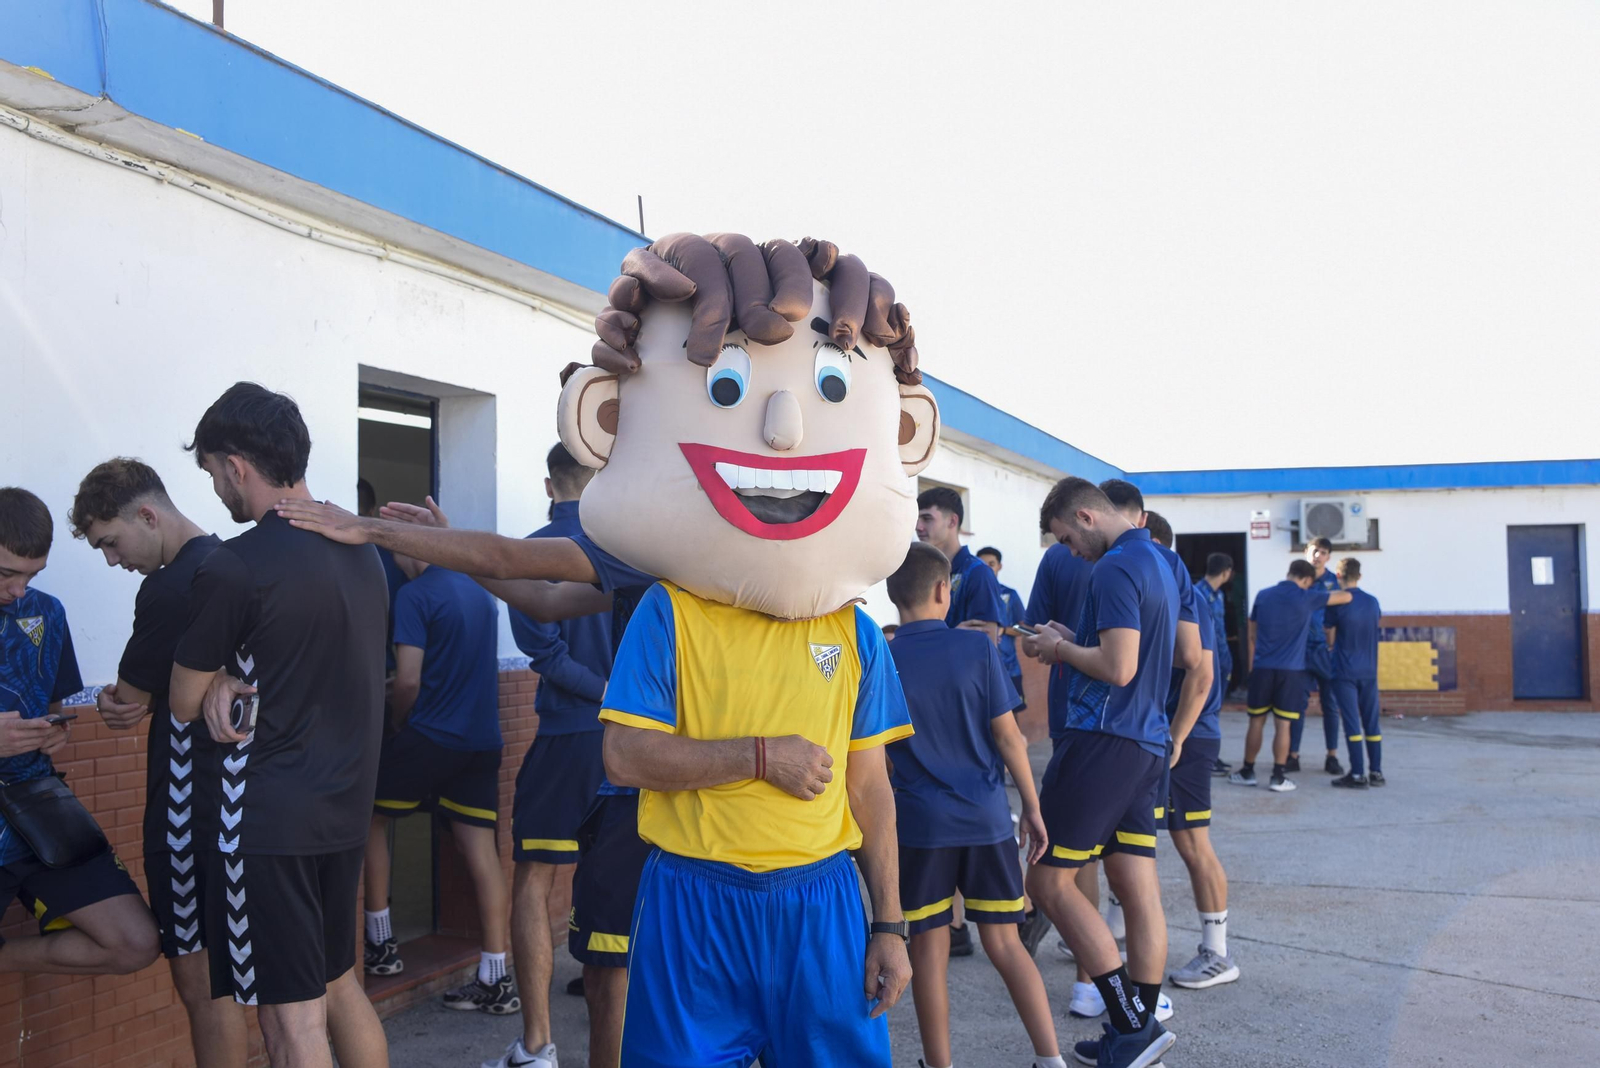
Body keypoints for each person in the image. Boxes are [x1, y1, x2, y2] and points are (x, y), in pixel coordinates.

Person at [279, 232, 939, 1065]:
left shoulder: (849, 633)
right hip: (682, 869)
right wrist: (387, 531)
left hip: (817, 896)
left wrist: (889, 924)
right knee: (606, 952)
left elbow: (871, 788)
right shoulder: (667, 572)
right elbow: (527, 571)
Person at [168, 383, 390, 1068]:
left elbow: (181, 700)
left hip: (264, 826)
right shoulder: (363, 553)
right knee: (325, 994)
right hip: (344, 814)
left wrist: (217, 687)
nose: (215, 493)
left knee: (289, 1028)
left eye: (211, 474)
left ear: (236, 465)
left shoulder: (235, 565)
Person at [67, 459, 248, 1064]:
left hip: (186, 816)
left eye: (111, 543)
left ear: (148, 515)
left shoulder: (170, 587)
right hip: (239, 809)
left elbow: (126, 701)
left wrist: (111, 701)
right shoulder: (232, 565)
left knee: (201, 990)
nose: (113, 560)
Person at [884, 543, 1066, 1068]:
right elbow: (1009, 739)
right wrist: (1031, 807)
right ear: (944, 591)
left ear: (894, 597)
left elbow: (876, 757)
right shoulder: (976, 650)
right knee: (1005, 945)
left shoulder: (881, 658)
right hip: (985, 818)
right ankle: (1049, 1059)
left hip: (919, 827)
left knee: (928, 950)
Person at [1020, 477, 1178, 1068]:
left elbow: (1117, 666)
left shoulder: (1112, 567)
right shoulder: (1158, 559)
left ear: (1086, 517)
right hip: (1145, 744)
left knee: (1047, 882)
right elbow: (1133, 652)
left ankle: (1131, 1026)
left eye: (1066, 538)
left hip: (1102, 741)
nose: (1069, 552)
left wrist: (1057, 652)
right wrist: (1068, 636)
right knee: (1137, 885)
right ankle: (1138, 1028)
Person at [0, 487, 160, 981]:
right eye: (7, 573)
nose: (19, 590)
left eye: (32, 575)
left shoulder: (46, 613)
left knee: (136, 943)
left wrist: (52, 734)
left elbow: (52, 711)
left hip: (37, 810)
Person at [502, 443, 616, 1062]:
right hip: (629, 742)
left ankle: (538, 1043)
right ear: (598, 480)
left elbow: (542, 654)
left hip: (565, 738)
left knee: (535, 880)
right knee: (625, 885)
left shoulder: (531, 551)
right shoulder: (628, 552)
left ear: (551, 485)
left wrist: (598, 695)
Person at [363, 550, 513, 1014]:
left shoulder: (414, 595)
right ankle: (496, 976)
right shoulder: (479, 588)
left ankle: (381, 947)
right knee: (480, 851)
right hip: (482, 741)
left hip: (430, 736)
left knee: (369, 819)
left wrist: (396, 724)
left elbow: (407, 682)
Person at [1143, 517, 1239, 992]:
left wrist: (1178, 737)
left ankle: (1218, 954)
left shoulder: (1188, 597)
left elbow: (1201, 676)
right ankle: (1120, 930)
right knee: (1135, 839)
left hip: (1188, 737)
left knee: (1191, 842)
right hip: (1167, 734)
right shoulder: (1169, 591)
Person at [1229, 559, 1353, 793]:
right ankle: (1278, 776)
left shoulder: (1263, 595)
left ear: (1289, 573)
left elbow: (1253, 633)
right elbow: (1345, 597)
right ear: (1306, 580)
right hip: (1291, 671)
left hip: (1263, 668)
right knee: (1283, 725)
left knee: (1256, 722)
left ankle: (1247, 771)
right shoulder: (1307, 597)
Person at [916, 487, 1003, 642]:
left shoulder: (979, 573)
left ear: (952, 521)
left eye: (927, 518)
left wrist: (948, 638)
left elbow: (986, 649)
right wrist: (953, 636)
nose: (918, 527)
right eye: (917, 519)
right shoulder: (921, 572)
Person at [1326, 558, 1385, 788]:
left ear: (1338, 576)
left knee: (1352, 722)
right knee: (1372, 723)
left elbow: (1328, 629)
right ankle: (1377, 772)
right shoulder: (1372, 602)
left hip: (1344, 670)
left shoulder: (1339, 603)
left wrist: (1331, 647)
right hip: (1369, 671)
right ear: (1359, 576)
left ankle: (1358, 773)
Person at [1292, 537, 1346, 775]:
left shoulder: (1335, 583)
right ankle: (1292, 755)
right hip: (1300, 652)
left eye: (1323, 553)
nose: (1317, 556)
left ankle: (1331, 756)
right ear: (1306, 552)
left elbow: (1342, 616)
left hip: (1326, 653)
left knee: (1330, 706)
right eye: (1314, 551)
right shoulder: (1297, 580)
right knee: (1296, 705)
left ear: (1328, 557)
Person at [1195, 553, 1235, 777]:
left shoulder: (1218, 595)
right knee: (1203, 711)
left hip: (1221, 662)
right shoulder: (1198, 594)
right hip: (1207, 663)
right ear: (1226, 572)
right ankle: (1204, 757)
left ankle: (1211, 756)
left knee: (1214, 712)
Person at [976, 546, 1028, 704]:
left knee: (1012, 718)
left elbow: (1025, 629)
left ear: (999, 566)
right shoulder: (972, 595)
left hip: (1010, 668)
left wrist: (1003, 630)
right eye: (982, 565)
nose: (987, 569)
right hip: (979, 670)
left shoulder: (1010, 594)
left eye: (991, 564)